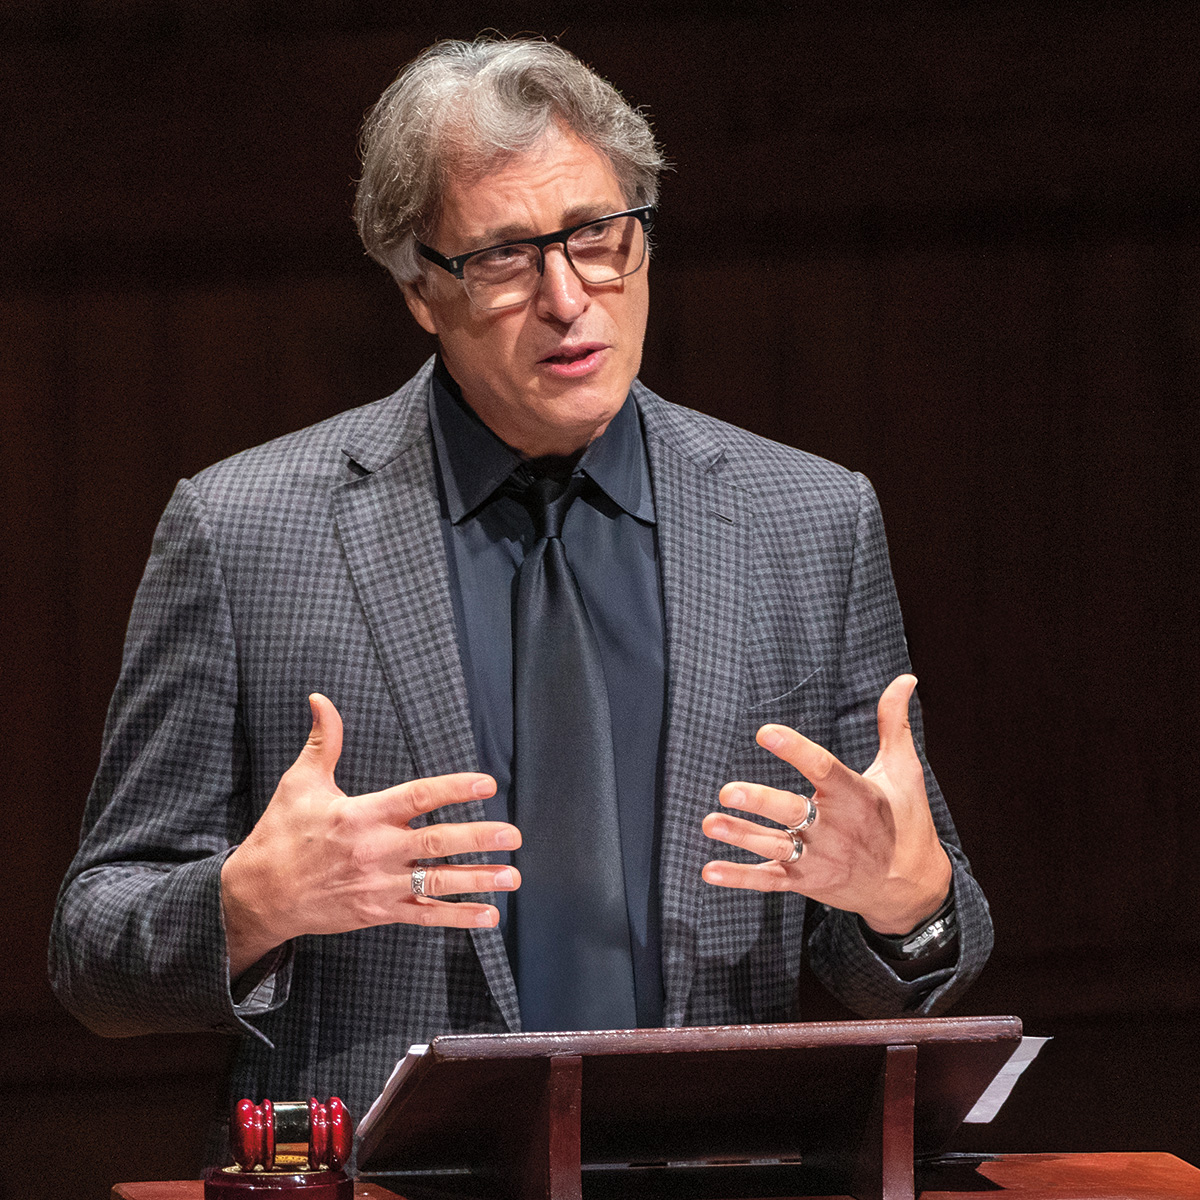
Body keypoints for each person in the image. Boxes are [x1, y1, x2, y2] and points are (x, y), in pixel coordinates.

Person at [50, 37, 992, 1124]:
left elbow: (923, 941)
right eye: (504, 256)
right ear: (417, 284)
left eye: (598, 237)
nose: (568, 296)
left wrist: (903, 903)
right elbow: (92, 949)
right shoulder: (246, 533)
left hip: (706, 1178)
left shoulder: (810, 523)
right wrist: (249, 906)